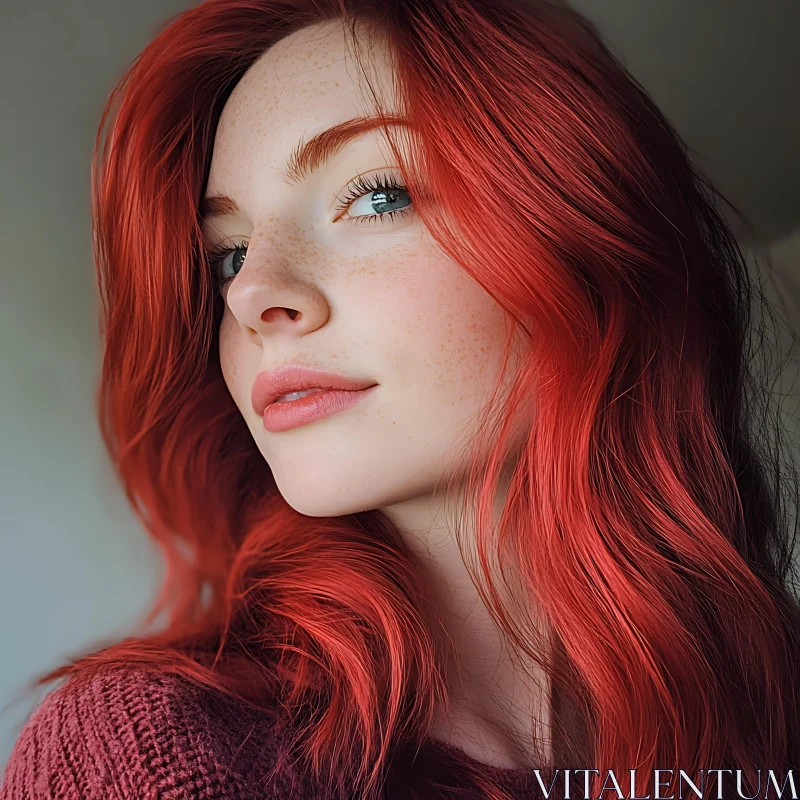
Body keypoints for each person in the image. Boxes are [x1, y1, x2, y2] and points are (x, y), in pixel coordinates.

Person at [2, 0, 800, 798]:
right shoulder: (148, 753)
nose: (253, 294)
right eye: (229, 253)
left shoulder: (772, 711)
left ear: (585, 236)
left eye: (377, 197)